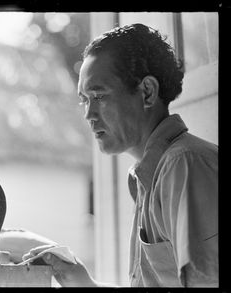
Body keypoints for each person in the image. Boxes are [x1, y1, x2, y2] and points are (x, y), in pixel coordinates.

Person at [22, 23, 218, 287]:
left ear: (147, 92)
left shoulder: (184, 165)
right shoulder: (148, 178)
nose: (88, 114)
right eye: (84, 99)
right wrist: (83, 283)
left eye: (99, 96)